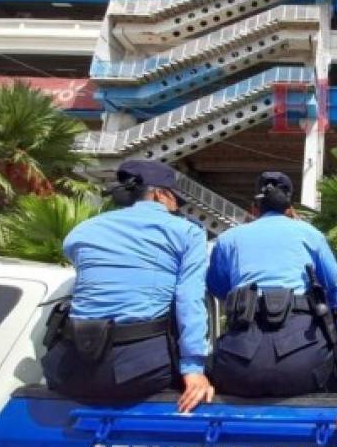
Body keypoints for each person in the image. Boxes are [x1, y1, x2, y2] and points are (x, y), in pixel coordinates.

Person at [41, 160, 214, 414]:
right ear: (159, 194)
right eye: (175, 199)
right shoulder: (187, 233)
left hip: (69, 367)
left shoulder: (83, 231)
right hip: (141, 368)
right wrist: (193, 369)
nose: (176, 207)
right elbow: (189, 299)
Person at [207, 171, 337, 397]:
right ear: (290, 208)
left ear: (253, 209)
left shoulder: (229, 238)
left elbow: (218, 288)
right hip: (304, 365)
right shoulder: (310, 234)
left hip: (239, 366)